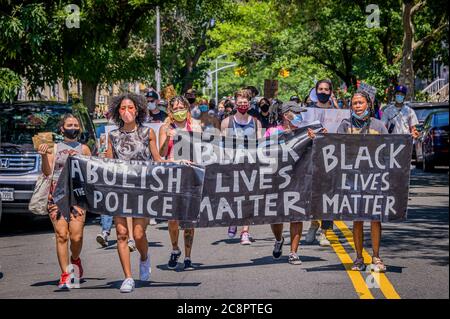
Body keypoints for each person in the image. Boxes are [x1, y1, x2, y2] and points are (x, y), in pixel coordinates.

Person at [105, 93, 166, 293]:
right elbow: (107, 163)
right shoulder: (112, 136)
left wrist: (179, 163)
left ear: (137, 110)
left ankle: (144, 257)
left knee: (139, 234)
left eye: (130, 108)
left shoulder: (148, 133)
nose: (126, 111)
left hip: (142, 190)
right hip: (120, 190)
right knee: (122, 234)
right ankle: (128, 277)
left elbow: (157, 159)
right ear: (117, 112)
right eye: (122, 108)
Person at [335, 91, 390, 272]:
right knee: (357, 219)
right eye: (354, 103)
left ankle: (376, 256)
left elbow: (390, 151)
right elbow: (335, 147)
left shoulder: (379, 126)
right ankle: (358, 257)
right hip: (352, 179)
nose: (357, 106)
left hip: (374, 179)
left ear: (369, 104)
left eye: (360, 103)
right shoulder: (345, 126)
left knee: (375, 218)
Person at [39, 114, 92, 289]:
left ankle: (75, 259)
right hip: (56, 195)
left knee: (76, 236)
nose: (73, 127)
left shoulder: (84, 149)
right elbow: (47, 173)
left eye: (76, 125)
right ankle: (65, 274)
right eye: (69, 124)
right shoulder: (53, 148)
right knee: (62, 235)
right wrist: (43, 155)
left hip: (77, 196)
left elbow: (92, 174)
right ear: (62, 128)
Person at [265, 101, 316, 264]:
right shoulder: (272, 131)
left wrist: (315, 139)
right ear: (286, 115)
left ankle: (293, 252)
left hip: (298, 179)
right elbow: (262, 151)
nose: (300, 116)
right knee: (276, 217)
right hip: (277, 179)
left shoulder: (305, 132)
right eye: (296, 113)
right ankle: (279, 239)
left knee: (296, 215)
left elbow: (316, 152)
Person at [159, 96, 200, 271]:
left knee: (189, 220)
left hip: (190, 175)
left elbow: (202, 149)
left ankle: (188, 256)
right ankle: (175, 249)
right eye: (175, 108)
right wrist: (166, 138)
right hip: (172, 175)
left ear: (187, 109)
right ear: (170, 110)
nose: (179, 111)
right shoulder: (166, 127)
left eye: (182, 107)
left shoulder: (195, 126)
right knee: (173, 218)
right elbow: (160, 155)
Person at [221, 89, 263, 245]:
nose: (243, 105)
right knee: (234, 197)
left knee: (248, 199)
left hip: (250, 165)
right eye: (240, 102)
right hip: (233, 164)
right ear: (234, 103)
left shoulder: (256, 122)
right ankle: (233, 220)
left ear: (250, 103)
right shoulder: (227, 122)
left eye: (245, 102)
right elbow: (223, 146)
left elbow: (261, 144)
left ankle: (245, 231)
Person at [304, 79, 337, 245]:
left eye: (326, 89)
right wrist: (307, 134)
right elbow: (300, 134)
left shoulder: (337, 112)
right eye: (320, 89)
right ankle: (313, 225)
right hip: (312, 158)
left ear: (331, 92)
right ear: (315, 91)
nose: (323, 92)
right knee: (313, 194)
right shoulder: (309, 112)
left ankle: (324, 231)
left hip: (332, 159)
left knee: (330, 195)